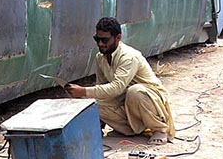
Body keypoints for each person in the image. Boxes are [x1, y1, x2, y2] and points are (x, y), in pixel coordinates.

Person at [65, 17, 175, 145]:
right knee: (90, 105)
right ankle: (128, 129)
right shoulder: (100, 58)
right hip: (124, 102)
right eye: (97, 39)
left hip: (148, 99)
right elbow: (102, 88)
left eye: (104, 40)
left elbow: (116, 88)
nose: (100, 44)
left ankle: (159, 129)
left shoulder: (128, 56)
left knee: (135, 91)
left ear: (118, 38)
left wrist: (83, 91)